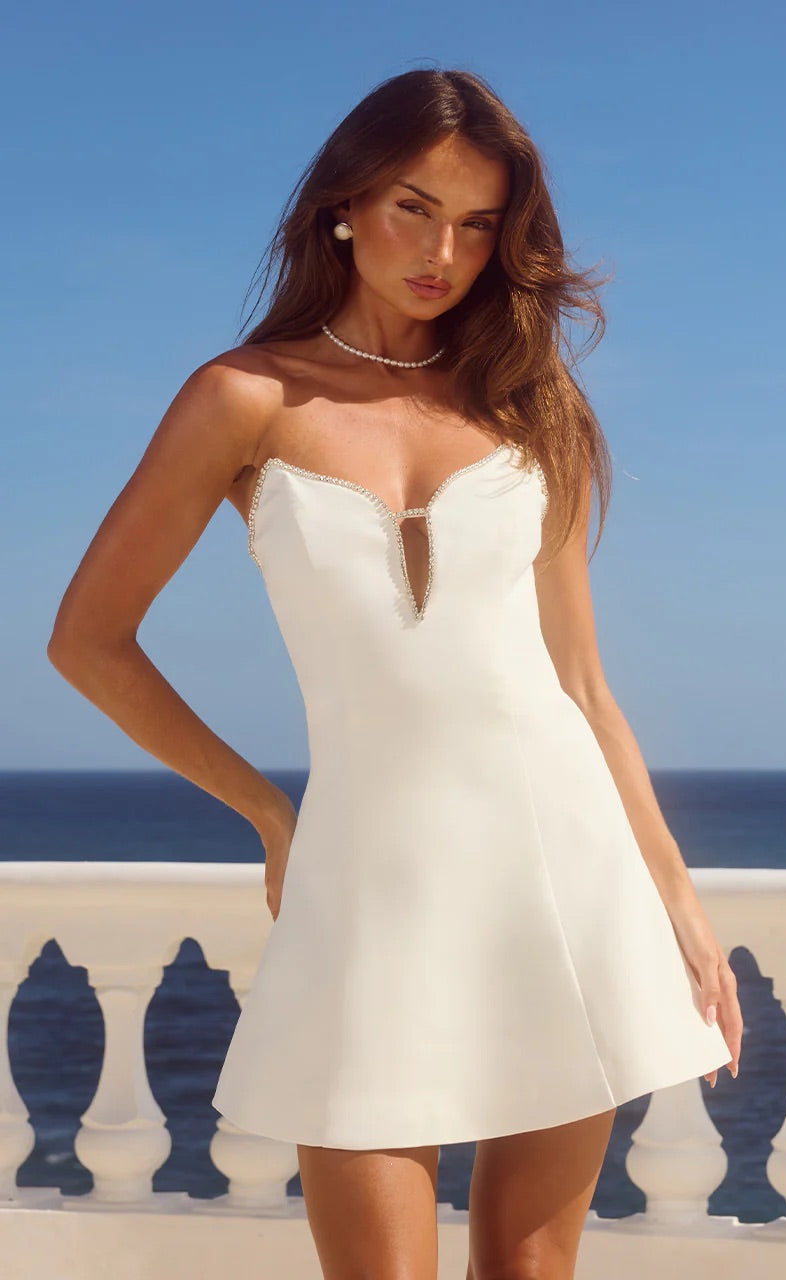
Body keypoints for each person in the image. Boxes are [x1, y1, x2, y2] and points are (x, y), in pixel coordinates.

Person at [48, 66, 742, 1280]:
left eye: (478, 225)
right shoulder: (242, 397)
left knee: (529, 1271)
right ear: (343, 206)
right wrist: (269, 809)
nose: (443, 252)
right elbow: (88, 638)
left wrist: (677, 905)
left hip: (565, 873)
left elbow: (580, 681)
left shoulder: (534, 404)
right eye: (414, 208)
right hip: (370, 886)